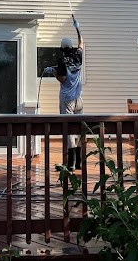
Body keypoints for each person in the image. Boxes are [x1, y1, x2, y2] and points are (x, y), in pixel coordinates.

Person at [52, 18, 84, 171]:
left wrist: (53, 72)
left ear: (61, 48)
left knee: (69, 130)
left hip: (67, 100)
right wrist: (77, 28)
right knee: (79, 129)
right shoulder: (78, 55)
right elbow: (82, 43)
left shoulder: (62, 60)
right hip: (79, 99)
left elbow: (63, 79)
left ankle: (70, 164)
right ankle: (79, 163)